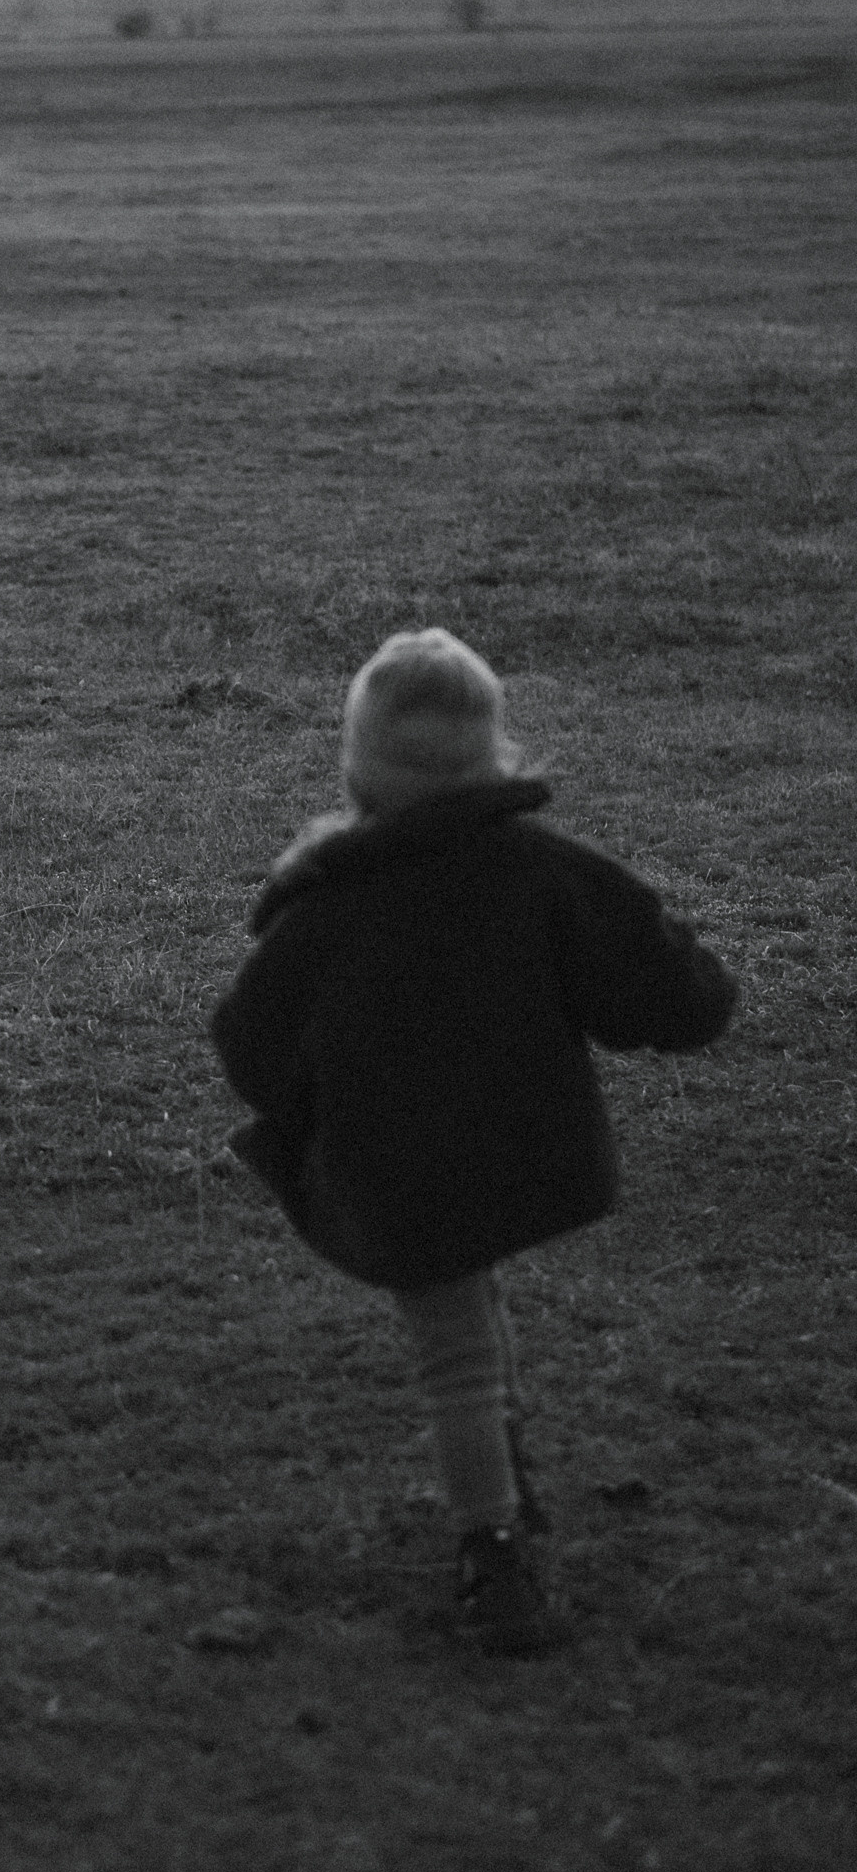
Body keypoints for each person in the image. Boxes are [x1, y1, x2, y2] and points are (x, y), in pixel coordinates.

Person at [207, 627, 736, 1654]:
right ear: (494, 754)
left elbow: (250, 1045)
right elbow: (665, 988)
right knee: (469, 1322)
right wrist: (700, 989)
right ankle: (502, 1489)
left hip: (399, 1176)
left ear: (356, 765)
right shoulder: (540, 870)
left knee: (454, 1350)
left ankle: (490, 1551)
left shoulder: (322, 906)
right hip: (527, 1151)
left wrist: (315, 1113)